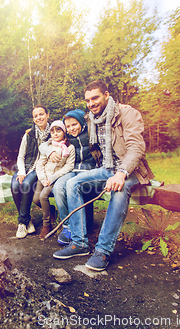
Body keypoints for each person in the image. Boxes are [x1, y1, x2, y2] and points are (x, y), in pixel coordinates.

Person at [53, 80, 154, 272]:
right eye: (88, 100)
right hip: (106, 168)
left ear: (107, 95)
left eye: (95, 98)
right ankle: (79, 243)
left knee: (120, 188)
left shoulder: (127, 113)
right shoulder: (91, 118)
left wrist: (121, 173)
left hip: (130, 170)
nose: (91, 103)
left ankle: (103, 251)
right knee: (72, 183)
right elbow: (82, 135)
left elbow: (136, 147)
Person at [39, 109, 98, 245]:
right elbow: (44, 145)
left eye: (74, 125)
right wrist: (49, 151)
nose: (72, 128)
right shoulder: (66, 138)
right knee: (59, 187)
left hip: (89, 170)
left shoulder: (91, 134)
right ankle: (67, 225)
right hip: (71, 170)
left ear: (81, 123)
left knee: (76, 187)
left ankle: (83, 226)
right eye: (69, 126)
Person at [12, 105, 51, 238]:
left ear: (47, 115)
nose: (39, 118)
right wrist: (21, 172)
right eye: (36, 116)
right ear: (33, 119)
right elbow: (21, 156)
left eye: (41, 114)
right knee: (15, 185)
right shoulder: (29, 134)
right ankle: (27, 221)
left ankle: (22, 223)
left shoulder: (54, 132)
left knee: (27, 184)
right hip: (26, 166)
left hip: (40, 168)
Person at [33, 121, 75, 238]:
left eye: (58, 130)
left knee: (43, 196)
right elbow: (40, 164)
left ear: (64, 131)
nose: (55, 134)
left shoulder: (69, 148)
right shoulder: (48, 147)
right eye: (53, 131)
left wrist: (52, 178)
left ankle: (47, 225)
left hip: (56, 178)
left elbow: (69, 166)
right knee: (36, 199)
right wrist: (43, 179)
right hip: (43, 177)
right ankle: (51, 210)